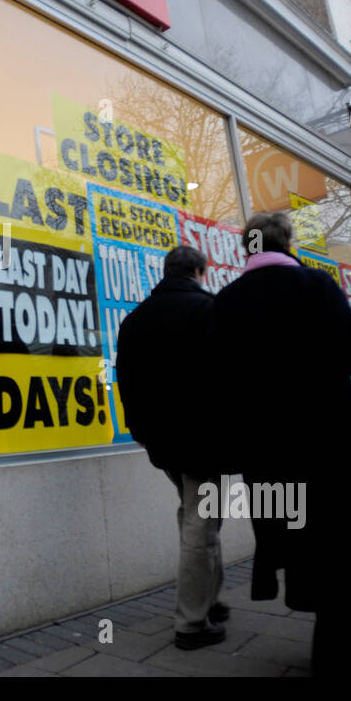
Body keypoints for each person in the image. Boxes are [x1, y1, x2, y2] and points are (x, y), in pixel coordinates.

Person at [213, 212, 351, 676]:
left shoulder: (226, 302)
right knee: (348, 549)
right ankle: (338, 653)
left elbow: (219, 382)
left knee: (303, 545)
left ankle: (327, 636)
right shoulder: (316, 286)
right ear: (288, 242)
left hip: (267, 454)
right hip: (332, 444)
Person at [116, 245, 230, 649]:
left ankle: (209, 601)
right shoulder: (211, 310)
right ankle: (191, 623)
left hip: (161, 439)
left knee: (195, 512)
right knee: (201, 520)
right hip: (205, 438)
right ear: (199, 271)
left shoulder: (135, 320)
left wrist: (139, 428)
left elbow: (125, 380)